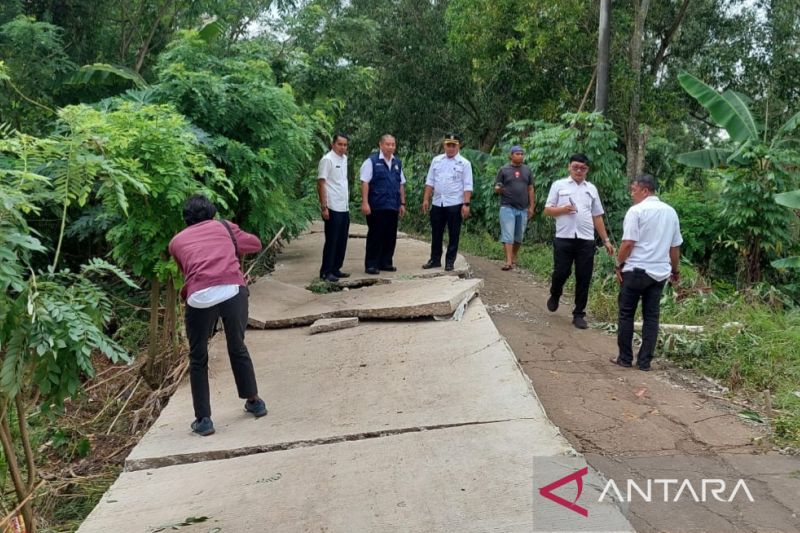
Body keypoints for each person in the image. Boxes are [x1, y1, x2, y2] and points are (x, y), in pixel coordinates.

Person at [169, 195, 267, 436]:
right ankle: (255, 402)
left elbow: (188, 274)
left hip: (199, 297)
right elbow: (254, 244)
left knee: (198, 356)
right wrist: (233, 239)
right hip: (232, 289)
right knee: (237, 345)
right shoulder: (223, 226)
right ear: (212, 212)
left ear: (186, 220)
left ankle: (204, 420)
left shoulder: (176, 242)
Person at [611, 174, 682, 371]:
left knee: (626, 314)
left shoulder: (636, 211)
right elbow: (674, 247)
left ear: (645, 190)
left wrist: (618, 264)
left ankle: (625, 358)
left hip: (635, 270)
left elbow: (628, 243)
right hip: (659, 273)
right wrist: (675, 270)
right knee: (651, 317)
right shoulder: (670, 212)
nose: (632, 194)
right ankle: (644, 362)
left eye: (634, 190)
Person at [543, 153, 614, 329]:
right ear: (569, 167)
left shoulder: (591, 189)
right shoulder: (559, 185)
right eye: (575, 167)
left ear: (587, 170)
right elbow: (547, 210)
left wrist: (605, 240)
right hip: (564, 237)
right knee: (561, 272)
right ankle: (555, 292)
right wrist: (563, 209)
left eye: (582, 168)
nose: (579, 171)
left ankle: (579, 313)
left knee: (584, 276)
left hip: (586, 239)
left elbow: (597, 216)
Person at [421, 133, 474, 271]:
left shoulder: (464, 163)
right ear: (444, 145)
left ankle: (450, 261)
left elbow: (467, 185)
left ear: (458, 146)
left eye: (453, 145)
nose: (450, 148)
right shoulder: (437, 160)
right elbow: (430, 181)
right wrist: (426, 199)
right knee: (436, 233)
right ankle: (435, 259)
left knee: (453, 233)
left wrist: (466, 204)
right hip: (438, 202)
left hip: (455, 203)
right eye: (448, 145)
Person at [360, 134, 407, 274]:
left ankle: (386, 262)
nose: (391, 147)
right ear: (380, 145)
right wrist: (365, 203)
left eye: (393, 144)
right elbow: (365, 182)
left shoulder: (397, 163)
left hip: (393, 205)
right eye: (388, 144)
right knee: (375, 235)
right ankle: (371, 264)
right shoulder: (371, 161)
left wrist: (402, 203)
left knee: (390, 236)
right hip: (376, 205)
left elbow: (401, 184)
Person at [494, 145, 535, 270]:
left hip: (522, 208)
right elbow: (496, 187)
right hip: (507, 206)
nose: (520, 156)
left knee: (519, 236)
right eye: (517, 154)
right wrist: (499, 189)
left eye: (522, 154)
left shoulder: (527, 170)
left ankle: (513, 256)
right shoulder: (504, 170)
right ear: (511, 155)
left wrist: (531, 206)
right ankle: (508, 261)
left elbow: (530, 189)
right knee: (508, 234)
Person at [317, 133, 350, 282]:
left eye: (345, 145)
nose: (342, 147)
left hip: (344, 206)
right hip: (332, 206)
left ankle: (336, 268)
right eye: (340, 144)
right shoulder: (327, 160)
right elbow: (321, 183)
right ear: (333, 144)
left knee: (342, 239)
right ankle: (326, 271)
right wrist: (324, 206)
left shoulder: (344, 159)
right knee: (332, 239)